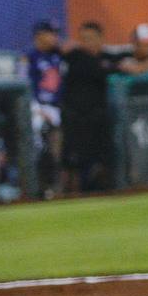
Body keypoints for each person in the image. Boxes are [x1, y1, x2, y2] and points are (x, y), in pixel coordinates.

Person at [61, 22, 115, 192]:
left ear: (101, 39)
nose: (86, 43)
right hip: (75, 118)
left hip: (99, 119)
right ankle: (69, 197)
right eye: (83, 39)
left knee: (104, 162)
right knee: (73, 163)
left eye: (90, 39)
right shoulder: (76, 57)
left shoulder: (107, 57)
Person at [24, 20, 65, 196]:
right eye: (51, 33)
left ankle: (55, 187)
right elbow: (23, 86)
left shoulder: (58, 55)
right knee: (39, 146)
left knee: (57, 150)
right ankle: (37, 188)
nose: (55, 37)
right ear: (39, 35)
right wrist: (36, 108)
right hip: (37, 109)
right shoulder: (29, 57)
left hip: (56, 108)